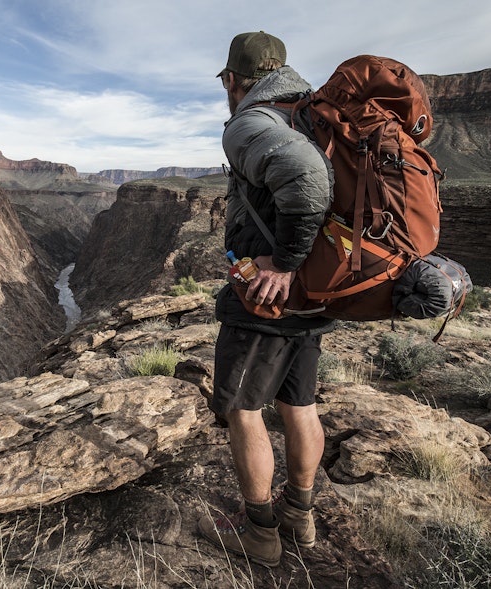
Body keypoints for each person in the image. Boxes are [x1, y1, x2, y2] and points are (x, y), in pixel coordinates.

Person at [198, 31, 336, 568]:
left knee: (243, 411)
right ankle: (299, 515)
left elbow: (304, 182)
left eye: (227, 81)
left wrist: (283, 263)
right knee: (299, 404)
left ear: (233, 79)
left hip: (267, 300)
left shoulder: (251, 123)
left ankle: (259, 533)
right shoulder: (307, 117)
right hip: (313, 298)